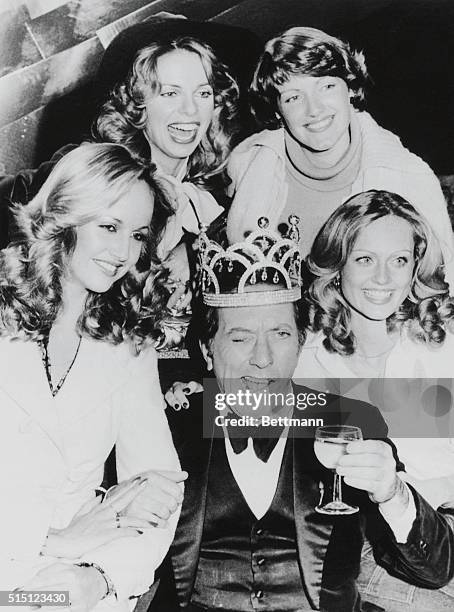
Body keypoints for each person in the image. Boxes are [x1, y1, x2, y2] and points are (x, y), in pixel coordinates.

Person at [147, 220, 454, 612]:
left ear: (301, 342)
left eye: (280, 334)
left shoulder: (352, 424)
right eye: (240, 338)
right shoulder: (167, 424)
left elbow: (435, 571)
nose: (263, 359)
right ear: (207, 350)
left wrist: (393, 493)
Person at [0, 142, 186, 611]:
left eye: (139, 235)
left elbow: (158, 484)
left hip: (72, 585)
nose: (124, 252)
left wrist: (101, 578)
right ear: (63, 215)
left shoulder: (126, 345)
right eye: (109, 227)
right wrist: (53, 538)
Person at [294, 189, 454, 610]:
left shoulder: (441, 346)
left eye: (399, 260)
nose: (384, 279)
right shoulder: (307, 359)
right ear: (337, 264)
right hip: (377, 549)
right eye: (365, 259)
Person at [225, 26, 454, 291]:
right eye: (293, 97)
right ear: (277, 110)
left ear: (350, 89)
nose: (314, 109)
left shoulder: (407, 175)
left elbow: (445, 278)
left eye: (327, 86)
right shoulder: (249, 163)